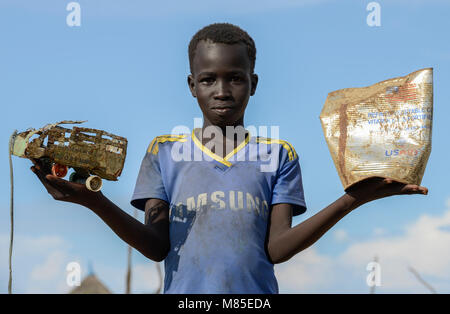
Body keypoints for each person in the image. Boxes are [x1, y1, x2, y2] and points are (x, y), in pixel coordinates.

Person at [31, 23, 428, 294]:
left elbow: (276, 249)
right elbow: (156, 245)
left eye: (235, 78)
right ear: (192, 86)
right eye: (208, 79)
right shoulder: (164, 152)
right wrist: (93, 200)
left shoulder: (278, 155)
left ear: (253, 83)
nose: (222, 90)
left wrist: (353, 199)